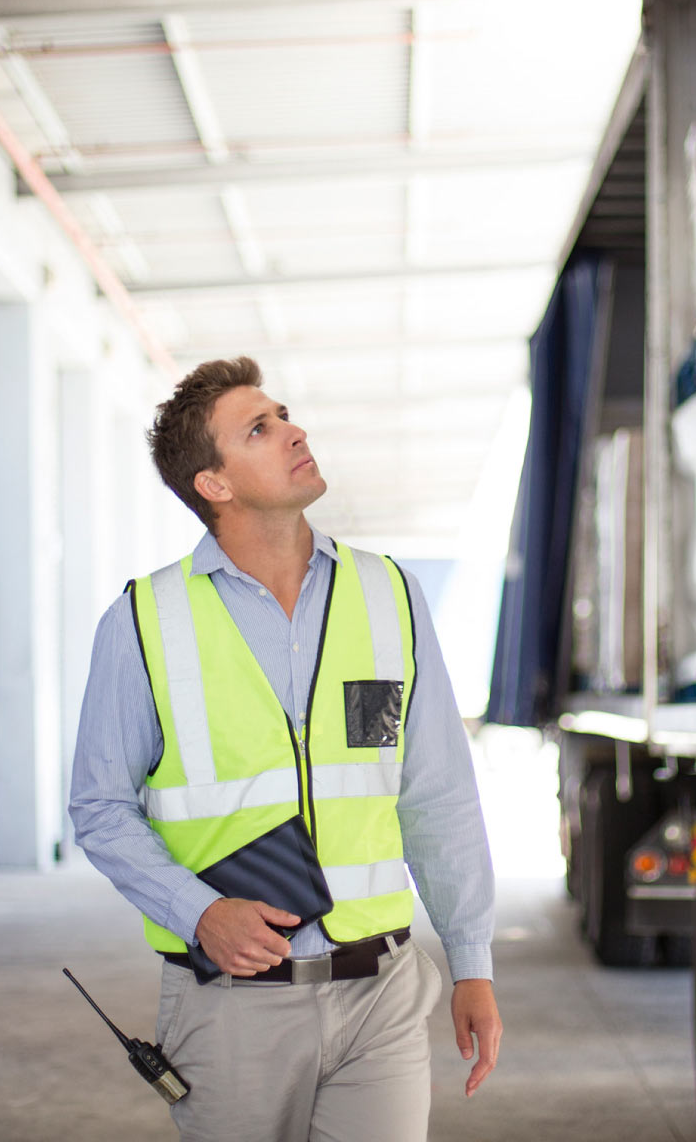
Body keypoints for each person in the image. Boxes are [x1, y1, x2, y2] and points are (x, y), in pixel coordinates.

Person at [68, 357, 501, 1141]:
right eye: (259, 430)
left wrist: (472, 960)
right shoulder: (144, 621)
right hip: (231, 1007)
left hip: (383, 992)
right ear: (215, 485)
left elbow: (436, 794)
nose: (293, 432)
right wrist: (199, 914)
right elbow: (100, 808)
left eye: (285, 416)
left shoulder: (389, 595)